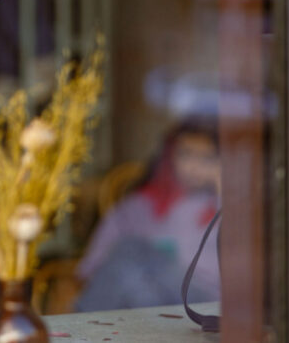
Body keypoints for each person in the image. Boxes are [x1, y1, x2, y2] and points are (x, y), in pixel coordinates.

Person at [74, 118, 221, 311]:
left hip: (205, 302)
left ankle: (82, 329)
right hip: (155, 308)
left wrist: (223, 186)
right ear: (170, 156)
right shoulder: (139, 206)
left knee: (130, 249)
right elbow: (92, 266)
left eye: (206, 158)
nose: (193, 167)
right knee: (136, 283)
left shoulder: (226, 206)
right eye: (185, 154)